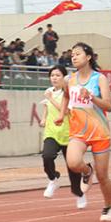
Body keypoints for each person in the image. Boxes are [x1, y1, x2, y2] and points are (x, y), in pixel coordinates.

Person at [59, 43, 111, 221]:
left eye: (78, 54)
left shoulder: (99, 79)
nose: (73, 57)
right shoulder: (70, 80)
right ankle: (86, 171)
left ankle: (108, 205)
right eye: (72, 55)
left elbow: (109, 106)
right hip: (78, 131)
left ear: (88, 57)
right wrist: (62, 114)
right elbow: (66, 96)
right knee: (73, 162)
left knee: (103, 176)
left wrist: (91, 97)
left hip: (99, 132)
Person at [40, 65, 84, 205]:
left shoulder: (69, 93)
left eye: (58, 75)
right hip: (51, 132)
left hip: (68, 134)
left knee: (73, 167)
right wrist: (43, 118)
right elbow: (47, 107)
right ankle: (53, 179)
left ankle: (78, 193)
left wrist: (51, 99)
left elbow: (65, 112)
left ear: (64, 78)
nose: (54, 78)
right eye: (52, 75)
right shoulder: (48, 91)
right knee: (47, 156)